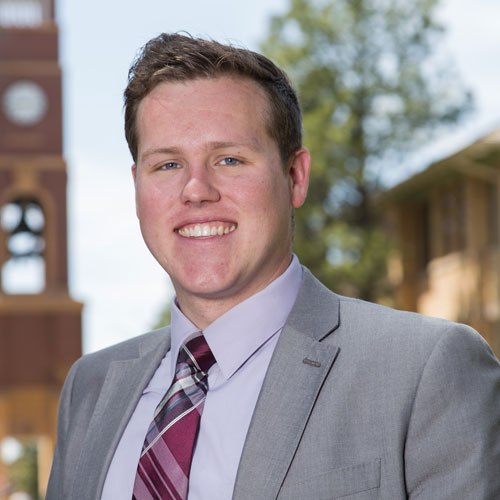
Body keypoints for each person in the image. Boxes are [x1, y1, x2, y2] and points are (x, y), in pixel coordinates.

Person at [46, 33, 500, 500]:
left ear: (295, 177)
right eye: (167, 165)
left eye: (229, 159)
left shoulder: (424, 371)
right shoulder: (90, 389)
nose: (196, 190)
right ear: (137, 187)